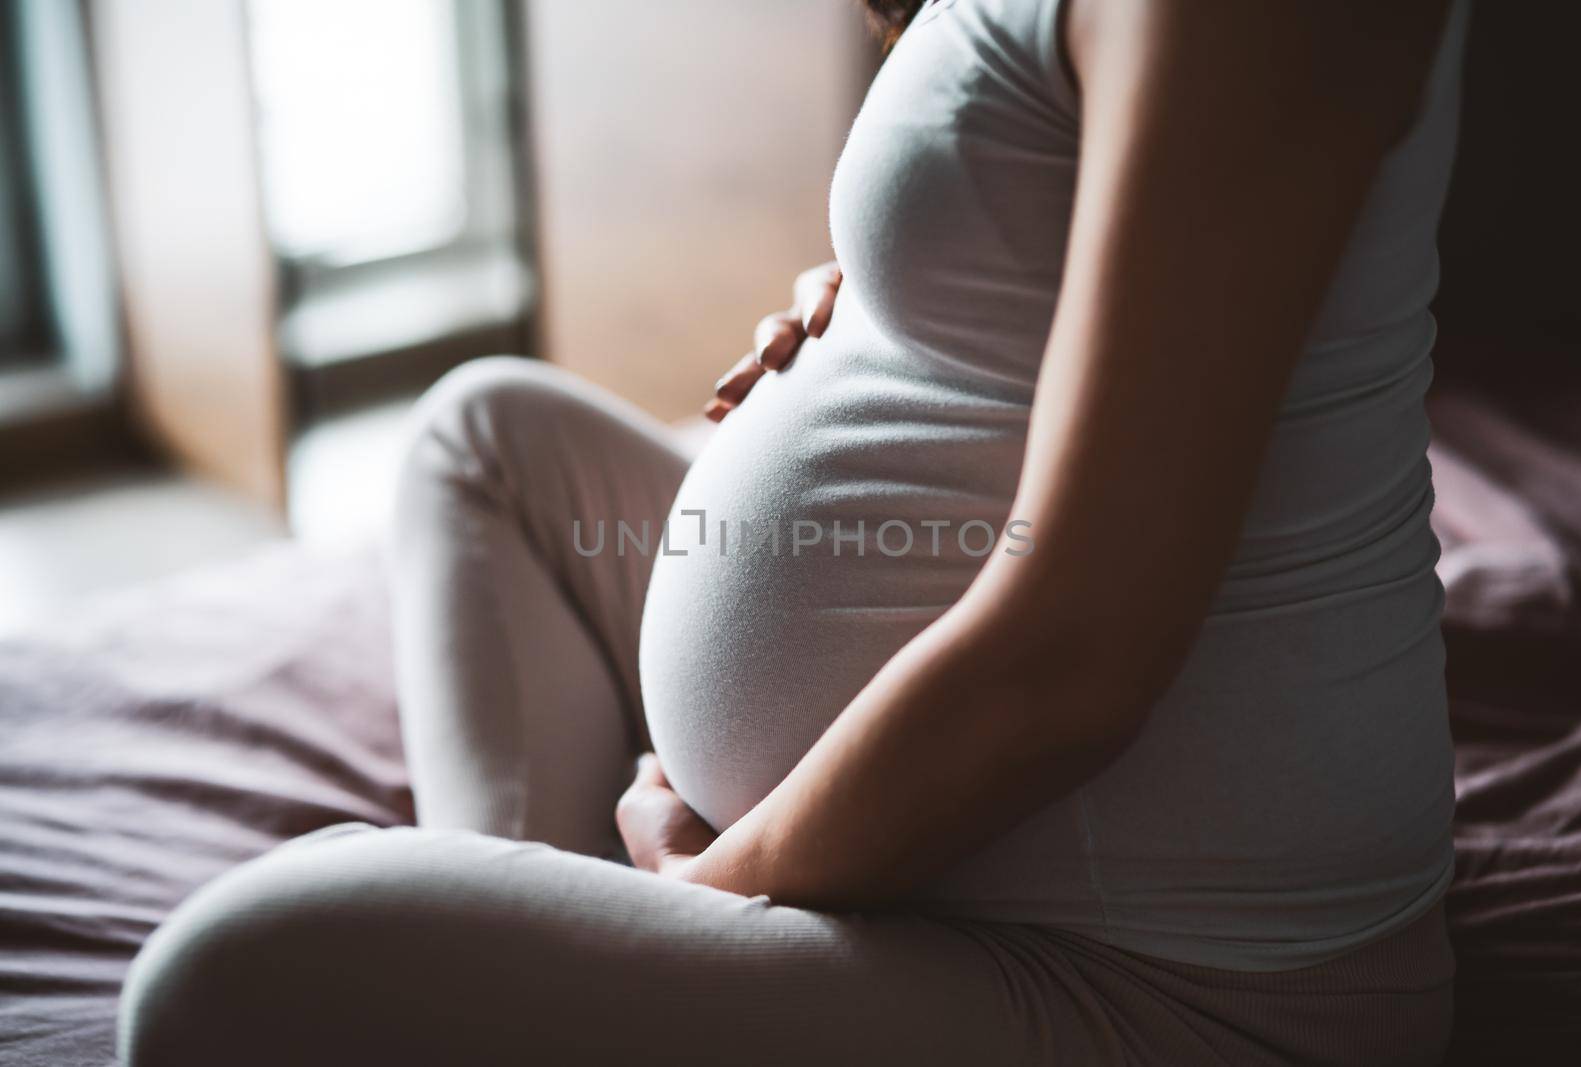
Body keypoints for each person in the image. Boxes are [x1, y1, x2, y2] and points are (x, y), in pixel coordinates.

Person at [118, 0, 1469, 1063]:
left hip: (1160, 986)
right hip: (949, 869)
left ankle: (557, 970)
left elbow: (1076, 661)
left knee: (225, 973)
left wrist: (699, 890)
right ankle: (539, 961)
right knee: (492, 443)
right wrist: (891, 298)